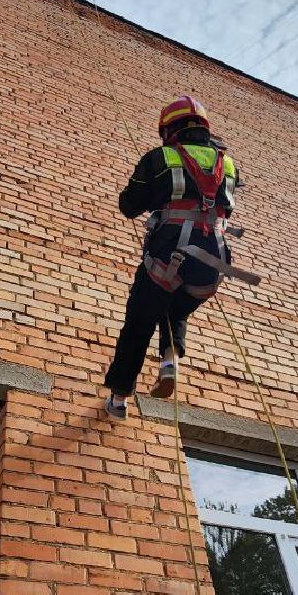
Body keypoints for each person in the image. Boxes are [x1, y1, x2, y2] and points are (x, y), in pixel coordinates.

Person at [104, 96, 238, 419]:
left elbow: (129, 205)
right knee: (176, 305)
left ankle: (120, 398)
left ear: (170, 129)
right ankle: (170, 360)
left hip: (168, 252)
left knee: (140, 320)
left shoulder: (161, 157)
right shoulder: (228, 163)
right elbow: (227, 207)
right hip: (213, 263)